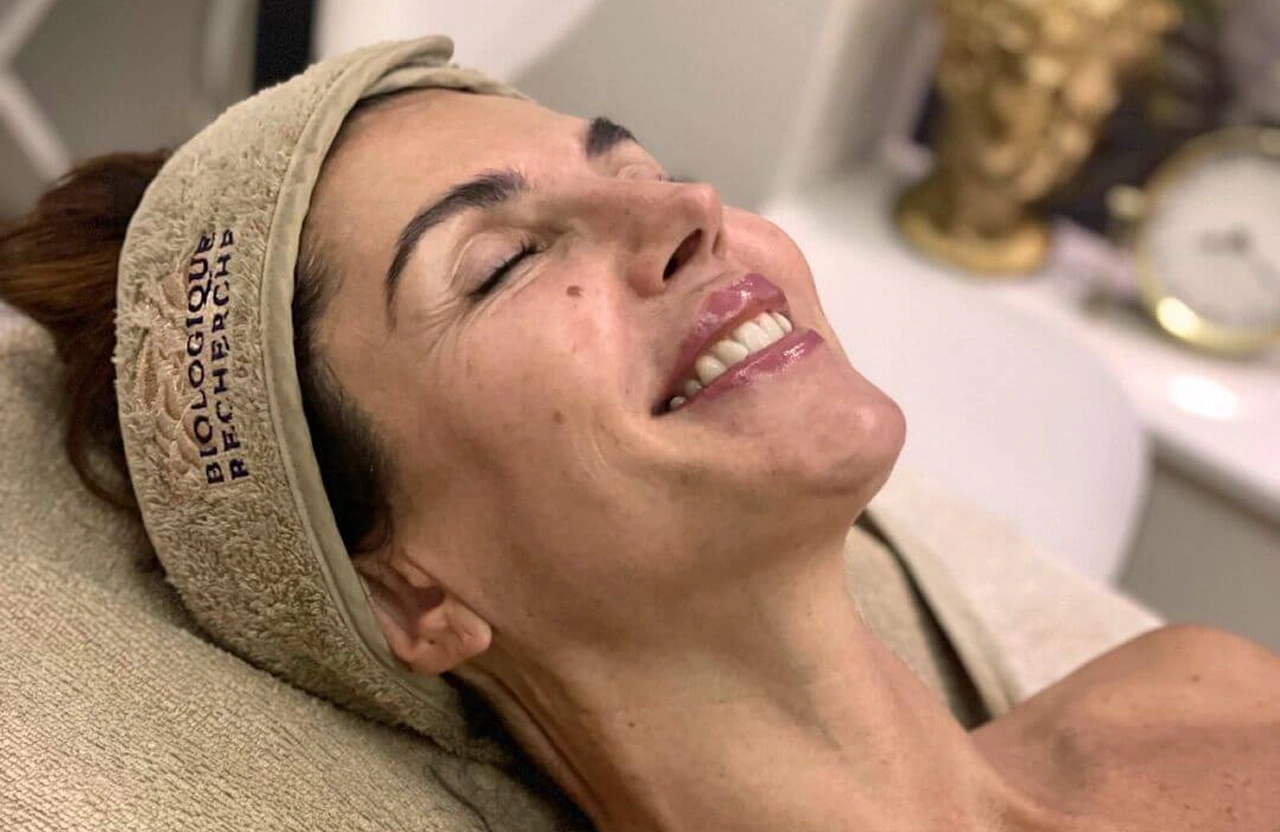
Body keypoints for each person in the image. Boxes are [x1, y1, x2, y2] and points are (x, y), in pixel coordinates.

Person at [1, 38, 1275, 832]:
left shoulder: (1192, 689)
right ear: (404, 590)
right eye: (501, 263)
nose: (691, 210)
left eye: (638, 169)